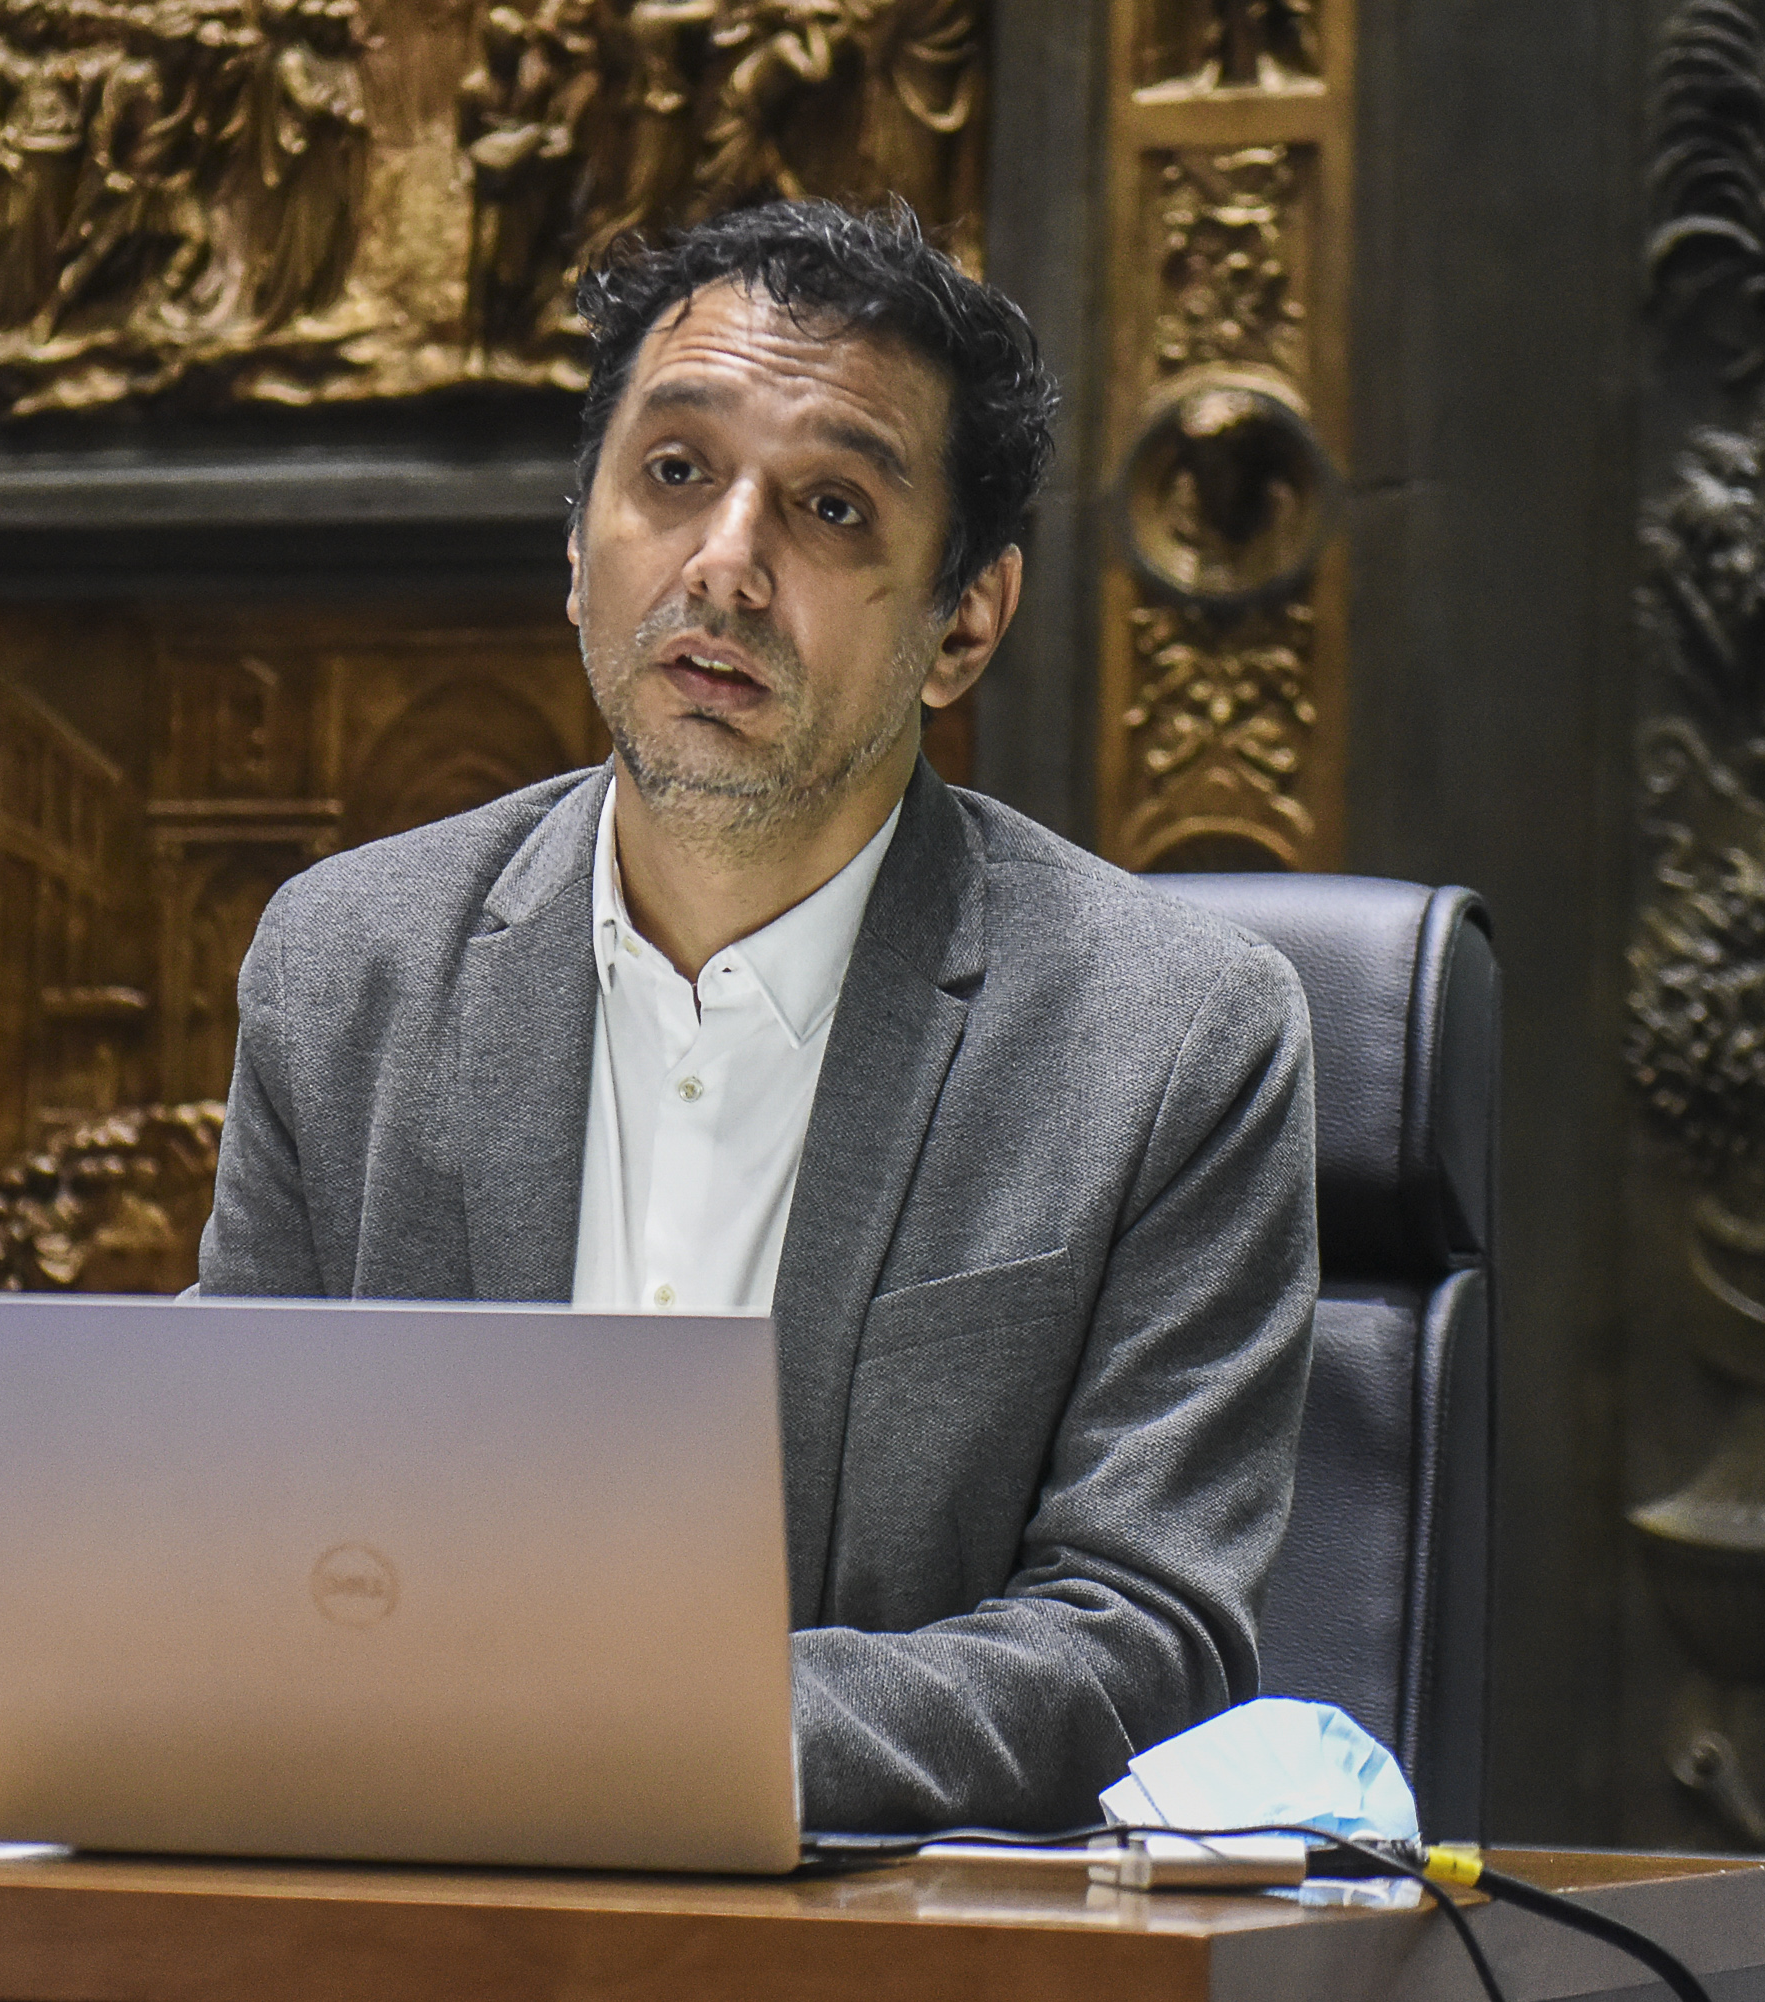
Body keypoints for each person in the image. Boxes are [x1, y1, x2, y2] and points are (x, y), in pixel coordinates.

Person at [196, 200, 1316, 1832]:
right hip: (407, 1910)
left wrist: (637, 1728)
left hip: (877, 1934)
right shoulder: (347, 970)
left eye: (832, 505)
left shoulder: (1175, 1038)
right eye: (673, 472)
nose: (724, 560)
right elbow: (225, 1527)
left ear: (964, 624)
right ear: (575, 545)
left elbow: (1146, 1639)